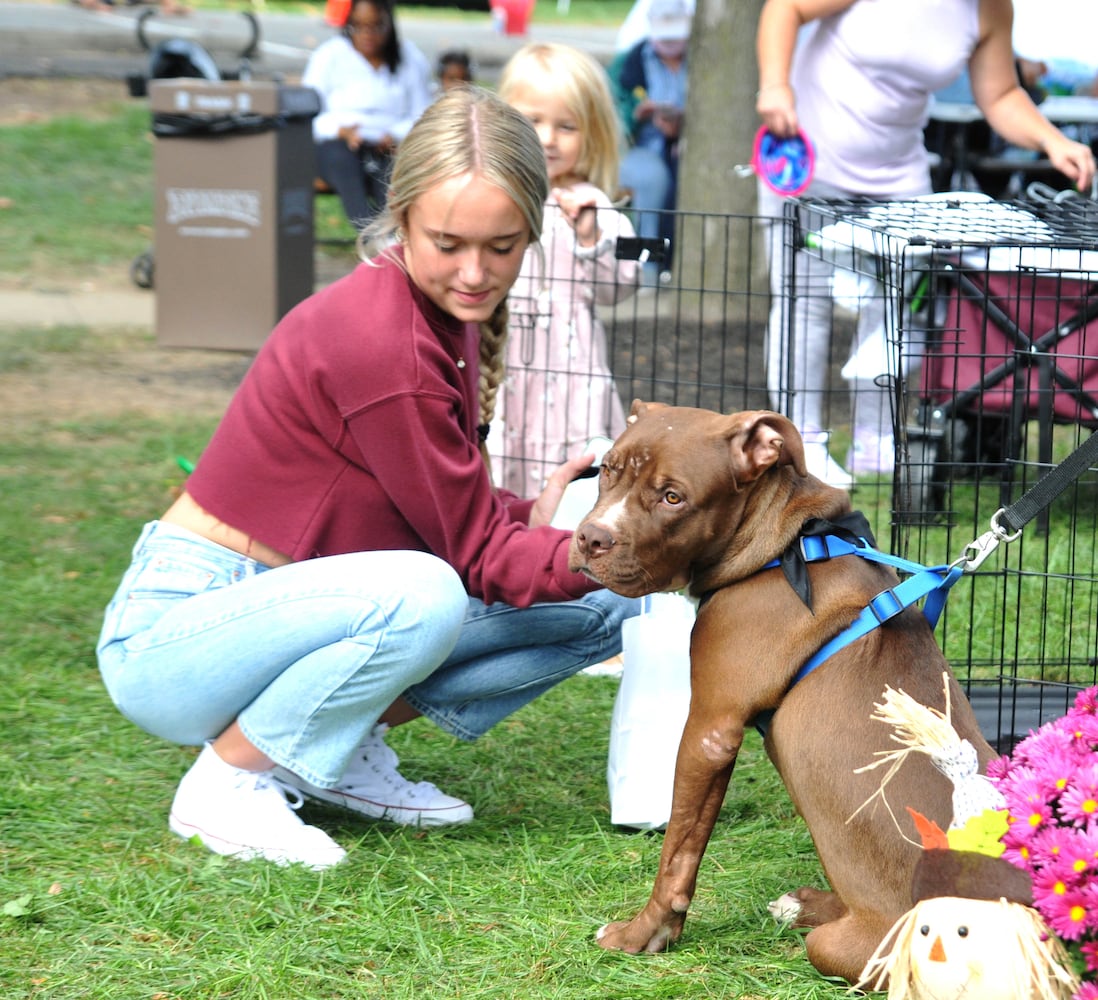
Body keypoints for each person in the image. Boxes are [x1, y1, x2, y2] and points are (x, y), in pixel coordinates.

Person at [95, 87, 639, 870]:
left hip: (291, 609)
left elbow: (437, 509)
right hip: (176, 637)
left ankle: (332, 746)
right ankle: (229, 780)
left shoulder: (439, 314)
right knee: (425, 596)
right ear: (402, 214)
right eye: (448, 242)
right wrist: (590, 547)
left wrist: (545, 523)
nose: (477, 272)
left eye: (503, 245)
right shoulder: (384, 343)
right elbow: (468, 556)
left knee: (612, 611)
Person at [755, 0, 1097, 486]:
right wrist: (776, 86)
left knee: (900, 307)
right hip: (809, 160)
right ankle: (798, 441)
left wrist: (1051, 140)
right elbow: (784, 8)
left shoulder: (990, 10)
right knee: (803, 302)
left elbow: (999, 94)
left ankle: (876, 438)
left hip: (898, 172)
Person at [493, 43, 641, 496]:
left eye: (566, 126)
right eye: (532, 121)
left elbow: (620, 286)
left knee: (573, 481)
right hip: (505, 366)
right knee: (502, 469)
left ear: (591, 134)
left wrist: (591, 234)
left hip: (572, 375)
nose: (548, 138)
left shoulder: (596, 207)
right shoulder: (495, 199)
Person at [302, 0, 433, 230]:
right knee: (344, 164)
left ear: (389, 25)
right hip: (339, 146)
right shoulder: (330, 55)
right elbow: (306, 114)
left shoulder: (408, 58)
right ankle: (370, 235)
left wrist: (394, 135)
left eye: (375, 26)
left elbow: (421, 114)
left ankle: (394, 235)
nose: (367, 34)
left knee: (393, 175)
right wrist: (340, 130)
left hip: (388, 146)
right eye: (358, 26)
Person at [608, 0, 690, 286]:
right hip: (641, 149)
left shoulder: (700, 58)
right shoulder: (632, 60)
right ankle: (644, 272)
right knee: (652, 183)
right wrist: (638, 113)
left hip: (685, 150)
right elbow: (613, 111)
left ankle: (668, 267)